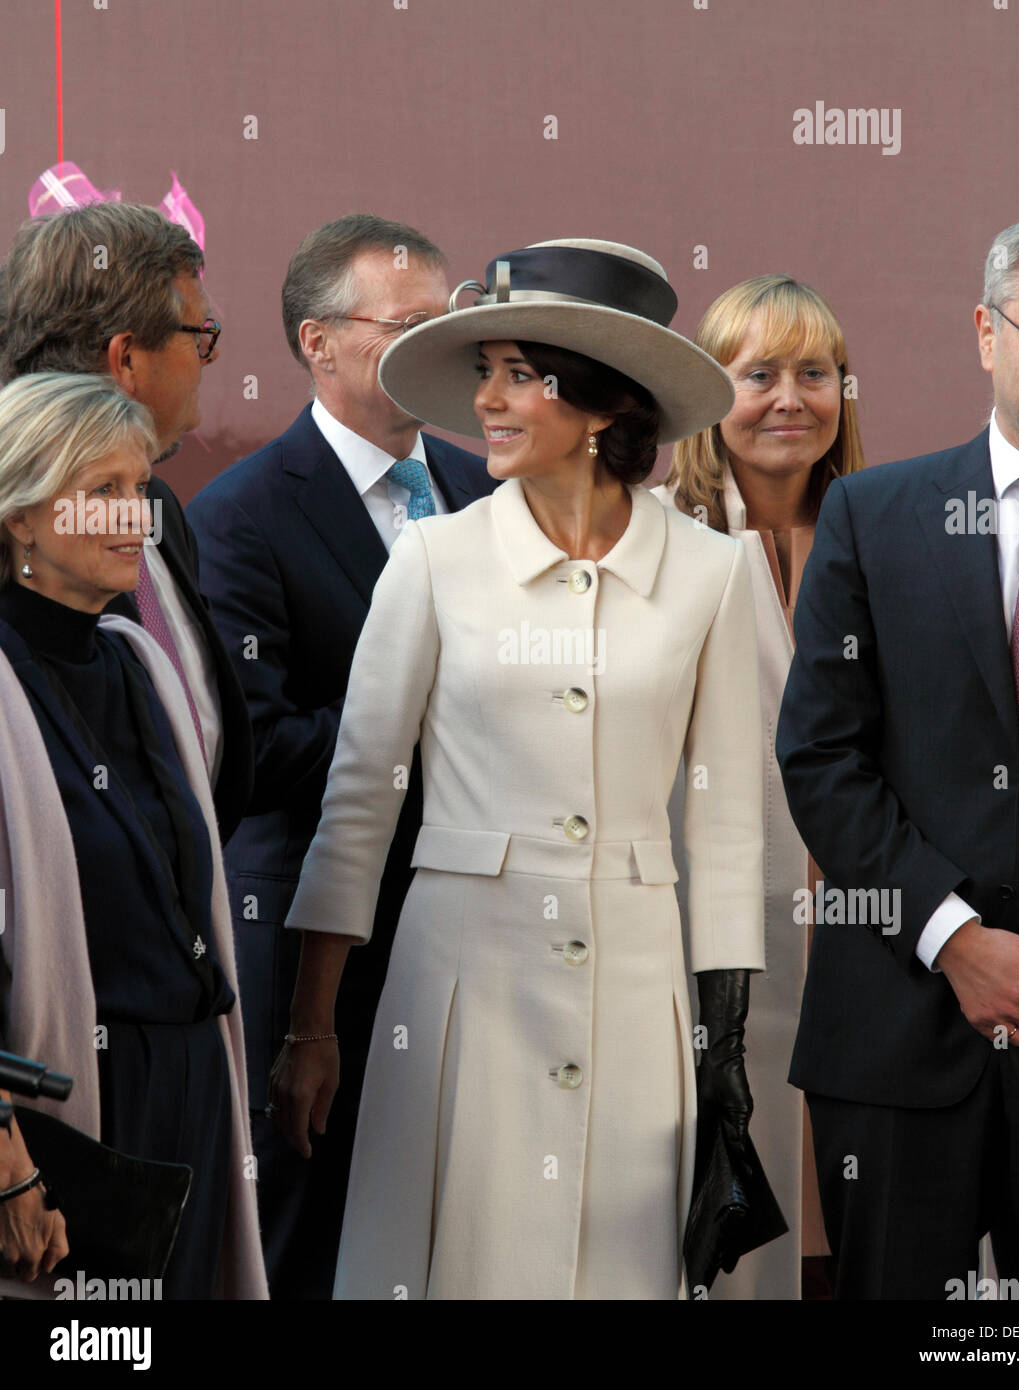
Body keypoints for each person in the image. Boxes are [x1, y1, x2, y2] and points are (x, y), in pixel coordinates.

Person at [273, 238, 766, 1299]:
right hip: (460, 998)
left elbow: (725, 830)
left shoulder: (713, 575)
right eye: (483, 372)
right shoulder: (434, 560)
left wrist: (721, 1049)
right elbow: (360, 802)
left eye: (516, 375)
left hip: (639, 1002)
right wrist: (311, 1026)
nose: (484, 401)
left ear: (598, 407)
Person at [777, 208, 1019, 1299]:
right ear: (985, 331)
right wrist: (957, 937)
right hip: (895, 1040)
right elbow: (822, 757)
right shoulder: (873, 515)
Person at [186, 214, 495, 1298]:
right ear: (318, 341)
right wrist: (434, 716)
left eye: (448, 325)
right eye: (404, 327)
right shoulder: (241, 516)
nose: (437, 352)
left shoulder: (491, 488)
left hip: (484, 940)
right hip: (314, 951)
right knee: (305, 1245)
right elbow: (257, 751)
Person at [0, 373, 265, 1299]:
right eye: (99, 493)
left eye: (141, 489)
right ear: (20, 518)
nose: (135, 518)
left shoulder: (139, 661)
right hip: (64, 1102)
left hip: (191, 1087)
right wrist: (6, 1154)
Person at [656, 274, 865, 1299]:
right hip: (715, 940)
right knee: (733, 1234)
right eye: (759, 373)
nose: (792, 397)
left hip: (877, 933)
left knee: (862, 1223)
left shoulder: (897, 532)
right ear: (707, 391)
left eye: (815, 372)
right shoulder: (656, 540)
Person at [0, 202, 252, 843]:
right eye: (201, 337)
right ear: (126, 359)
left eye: (131, 490)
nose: (210, 359)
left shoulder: (162, 507)